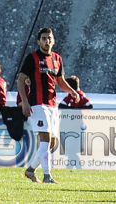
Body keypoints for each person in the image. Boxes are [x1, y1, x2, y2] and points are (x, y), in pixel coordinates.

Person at [18, 27, 76, 184]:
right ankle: (47, 176)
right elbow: (21, 80)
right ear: (38, 41)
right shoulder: (32, 58)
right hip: (38, 104)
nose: (46, 41)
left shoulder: (57, 58)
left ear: (54, 40)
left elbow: (61, 81)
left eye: (49, 38)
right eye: (43, 38)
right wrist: (24, 101)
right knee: (45, 139)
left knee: (53, 143)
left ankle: (30, 170)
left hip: (52, 104)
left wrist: (72, 92)